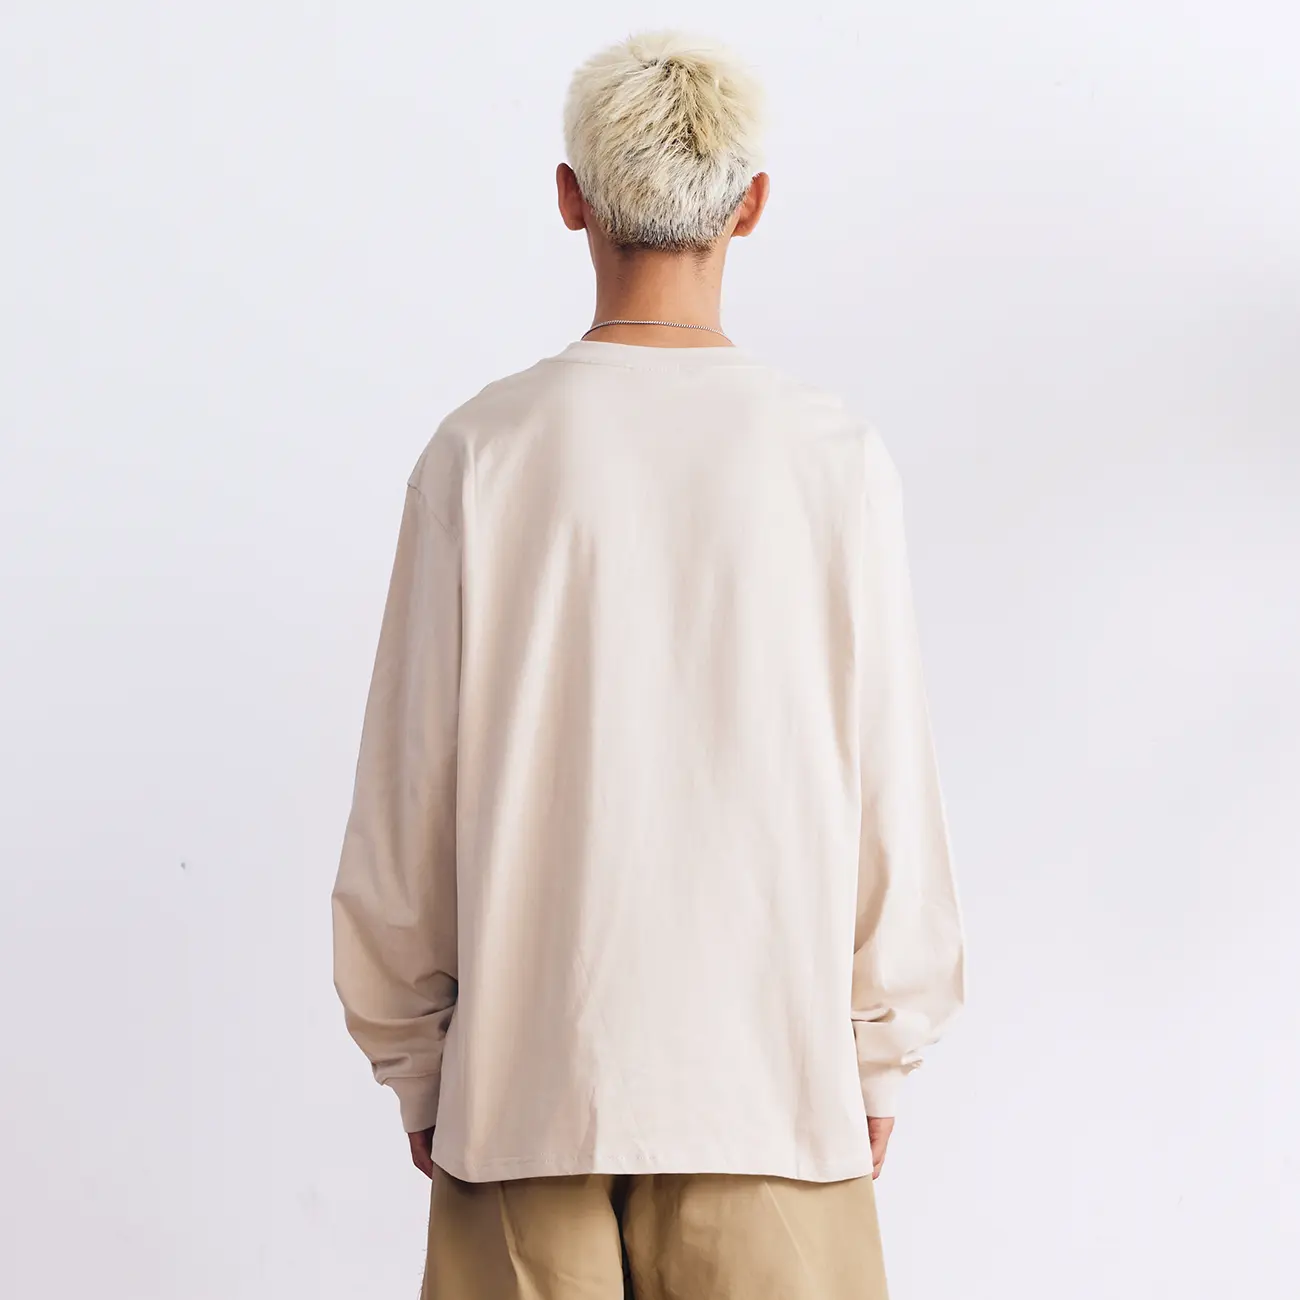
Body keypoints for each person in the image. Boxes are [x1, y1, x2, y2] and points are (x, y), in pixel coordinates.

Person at [331, 27, 965, 1300]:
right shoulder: (831, 458)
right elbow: (888, 781)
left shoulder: (482, 451)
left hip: (525, 1090)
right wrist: (878, 1050)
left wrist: (418, 1057)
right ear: (752, 205)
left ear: (570, 198)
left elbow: (404, 797)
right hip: (773, 1096)